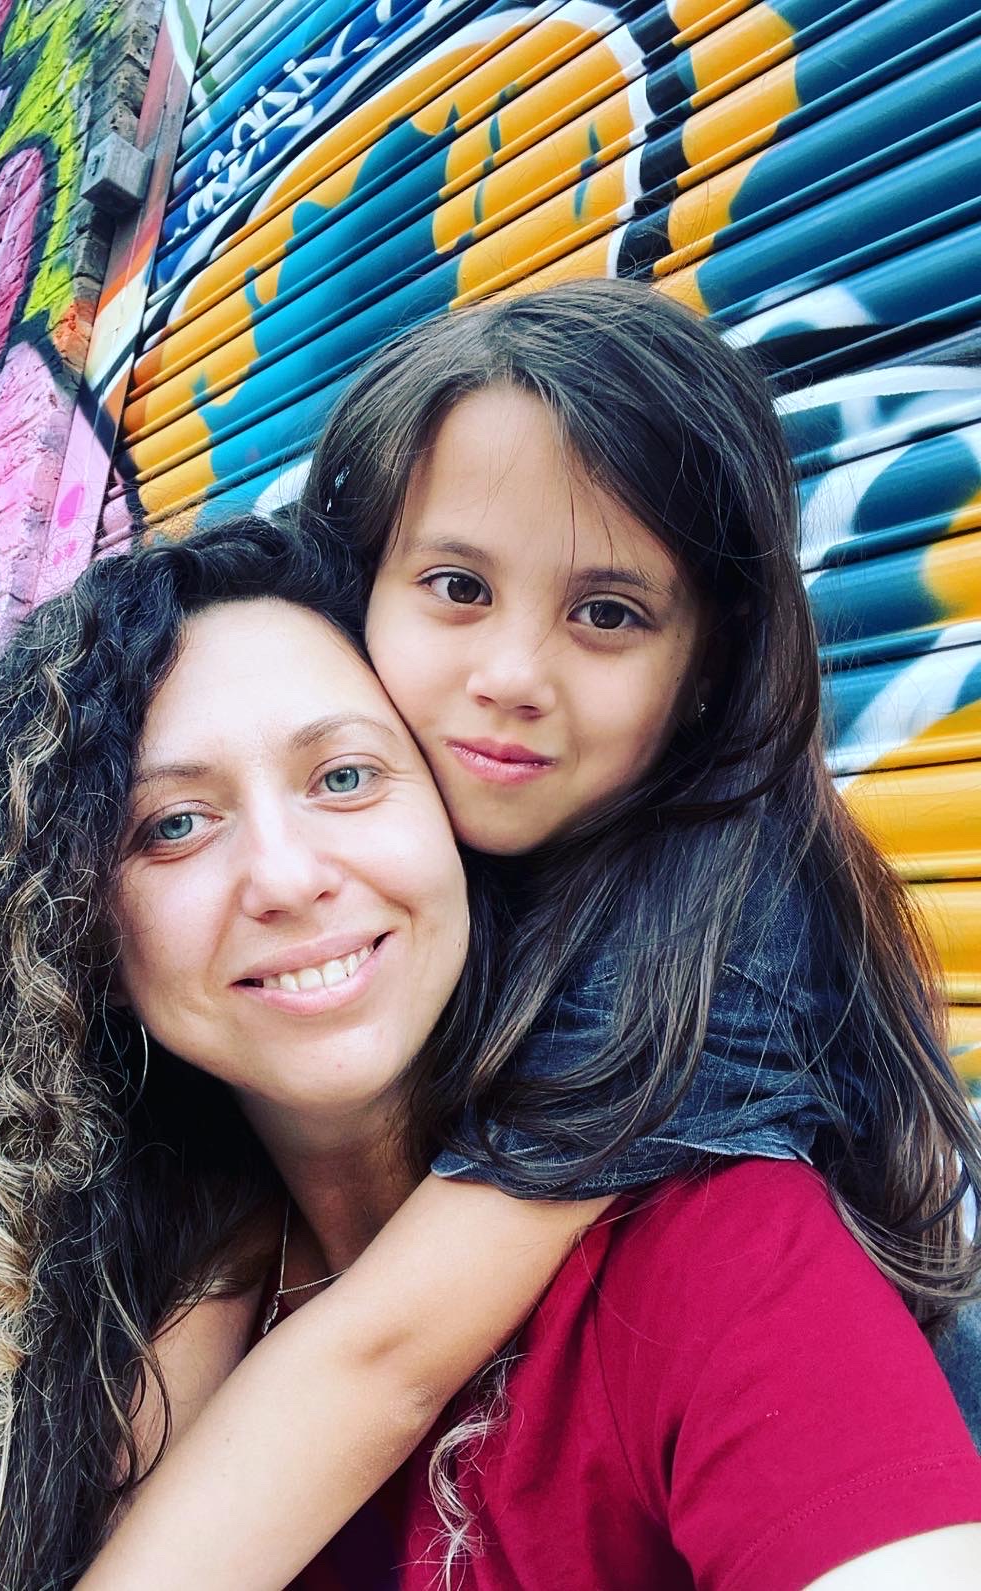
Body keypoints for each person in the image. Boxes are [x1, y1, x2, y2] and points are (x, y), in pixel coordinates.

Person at [78, 280, 981, 1588]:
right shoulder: (282, 1085)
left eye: (607, 614)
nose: (513, 673)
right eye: (457, 586)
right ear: (354, 592)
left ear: (707, 667)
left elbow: (380, 1361)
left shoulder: (709, 950)